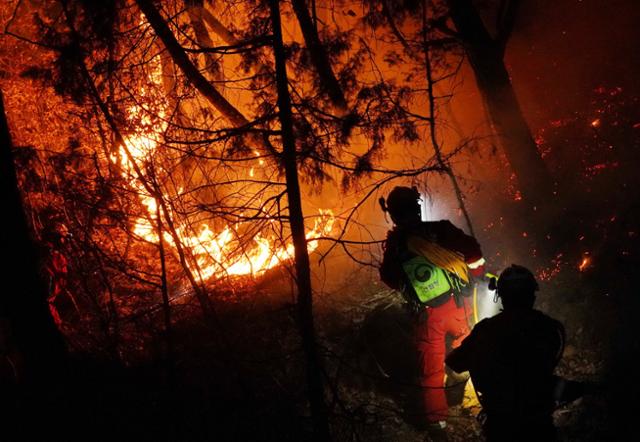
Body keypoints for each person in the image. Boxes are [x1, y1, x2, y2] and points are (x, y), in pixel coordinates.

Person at [379, 186, 485, 439]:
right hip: (459, 306)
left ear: (393, 215)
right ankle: (477, 401)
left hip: (427, 318)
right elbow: (473, 251)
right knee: (473, 352)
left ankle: (438, 426)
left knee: (431, 372)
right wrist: (476, 277)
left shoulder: (395, 246)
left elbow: (390, 278)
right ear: (417, 207)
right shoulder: (439, 229)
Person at [446, 264, 565, 442]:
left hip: (501, 425)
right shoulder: (551, 328)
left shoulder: (485, 330)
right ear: (532, 295)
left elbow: (455, 362)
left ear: (501, 296)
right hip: (539, 423)